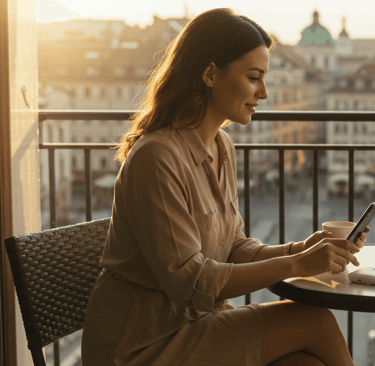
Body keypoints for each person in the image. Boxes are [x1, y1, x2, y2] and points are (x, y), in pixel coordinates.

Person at [81, 8, 369, 366]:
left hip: (195, 324)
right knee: (316, 321)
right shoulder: (157, 156)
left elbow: (234, 246)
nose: (263, 92)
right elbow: (191, 281)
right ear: (209, 74)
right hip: (140, 343)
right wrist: (297, 263)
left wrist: (300, 248)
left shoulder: (222, 147)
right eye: (253, 77)